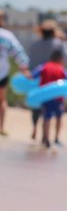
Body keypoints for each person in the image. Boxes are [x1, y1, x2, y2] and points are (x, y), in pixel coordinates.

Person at [28, 19, 67, 141]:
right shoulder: (59, 44)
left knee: (37, 108)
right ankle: (53, 138)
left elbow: (30, 64)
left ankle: (35, 129)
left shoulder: (34, 45)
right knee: (55, 113)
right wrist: (64, 42)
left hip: (38, 81)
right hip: (55, 84)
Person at [31, 50, 67, 148]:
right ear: (60, 59)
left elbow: (32, 75)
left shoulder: (44, 66)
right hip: (58, 98)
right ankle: (56, 138)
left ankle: (46, 138)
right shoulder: (62, 69)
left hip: (46, 97)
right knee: (59, 118)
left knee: (46, 118)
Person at [0, 9, 31, 137]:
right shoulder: (7, 36)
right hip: (2, 72)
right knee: (1, 100)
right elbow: (19, 53)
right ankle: (1, 127)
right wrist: (24, 68)